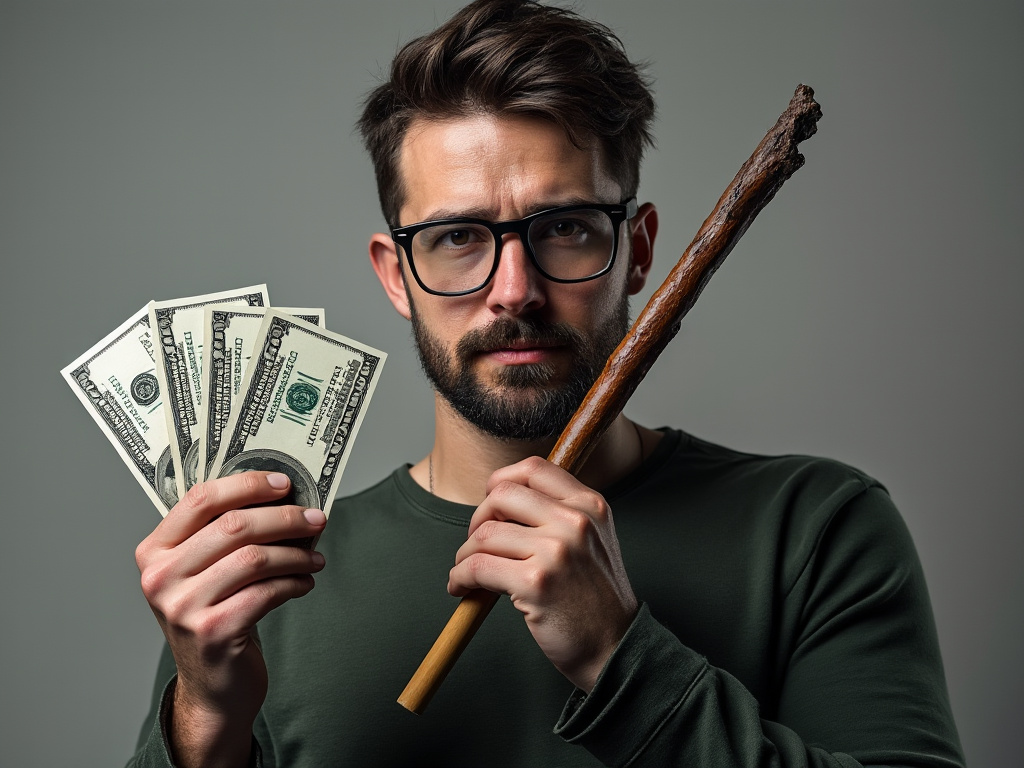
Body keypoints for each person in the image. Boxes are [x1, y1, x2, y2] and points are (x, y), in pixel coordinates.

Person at [128, 2, 964, 766]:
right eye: (458, 237)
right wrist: (204, 719)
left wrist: (620, 656)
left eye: (564, 228)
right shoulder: (272, 572)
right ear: (396, 275)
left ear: (638, 250)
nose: (515, 289)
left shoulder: (816, 530)